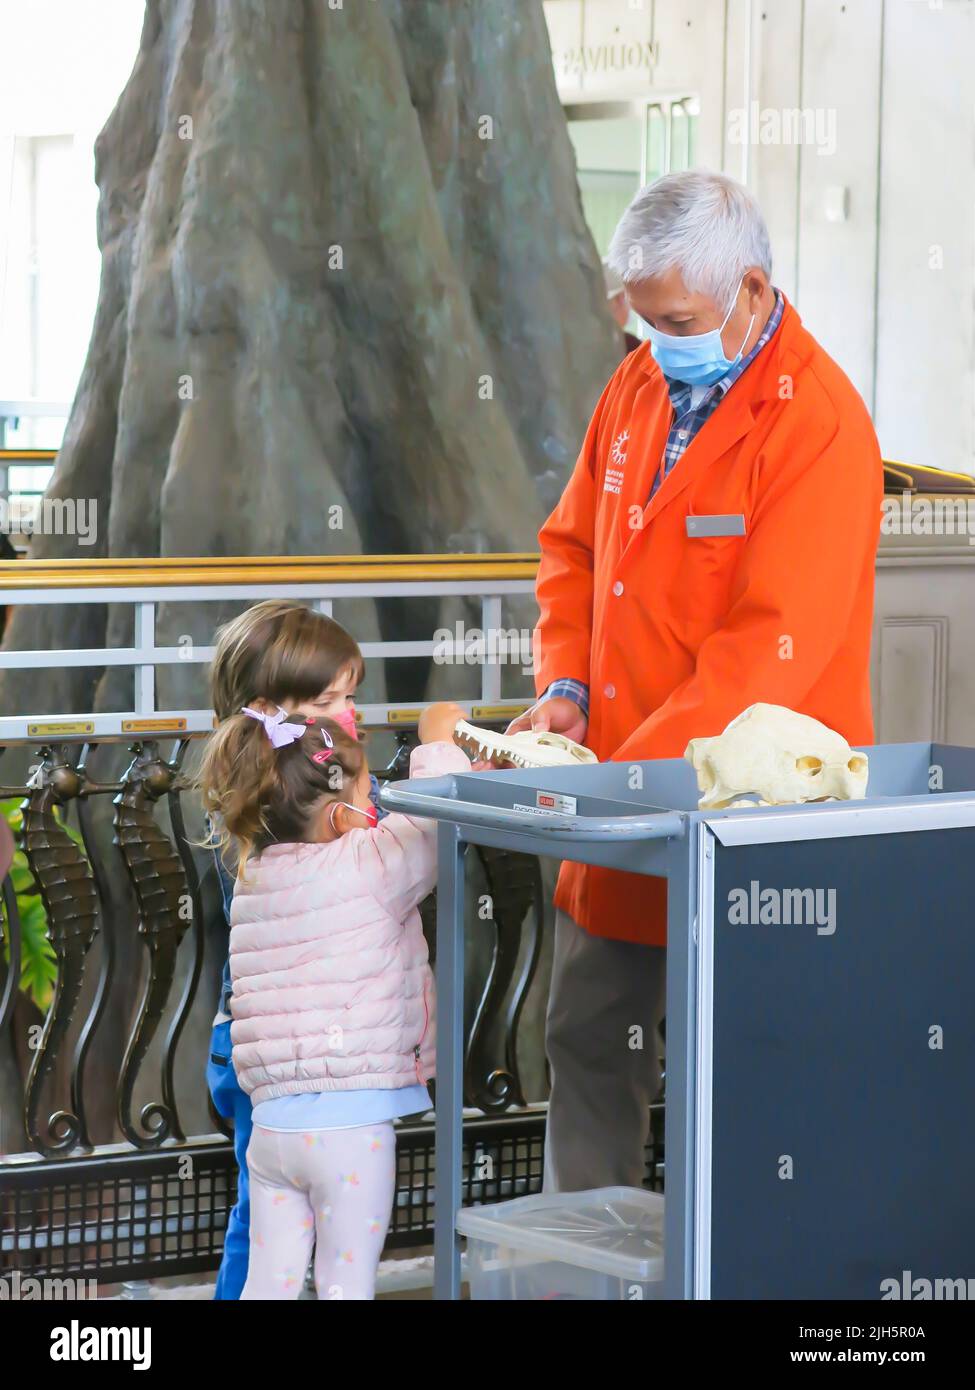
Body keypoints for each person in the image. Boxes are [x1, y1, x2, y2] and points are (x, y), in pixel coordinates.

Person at [509, 170, 883, 1192]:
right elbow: (574, 552)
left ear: (753, 292)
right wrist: (566, 695)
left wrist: (614, 783)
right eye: (639, 318)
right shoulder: (635, 387)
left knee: (755, 1080)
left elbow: (769, 655)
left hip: (746, 820)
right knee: (589, 1042)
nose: (653, 339)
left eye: (674, 319)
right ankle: (586, 1280)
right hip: (621, 813)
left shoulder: (820, 429)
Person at [199, 687, 471, 1300]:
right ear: (339, 817)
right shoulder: (369, 866)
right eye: (367, 792)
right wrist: (438, 743)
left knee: (268, 1286)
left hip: (271, 1132)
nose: (375, 802)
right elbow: (430, 829)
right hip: (351, 1130)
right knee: (346, 1286)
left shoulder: (252, 879)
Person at [204, 599, 384, 1299]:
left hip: (251, 1044)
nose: (352, 714)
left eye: (351, 696)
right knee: (263, 1225)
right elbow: (381, 846)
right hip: (287, 1058)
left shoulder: (249, 796)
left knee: (267, 1220)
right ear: (270, 712)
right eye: (333, 699)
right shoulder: (296, 809)